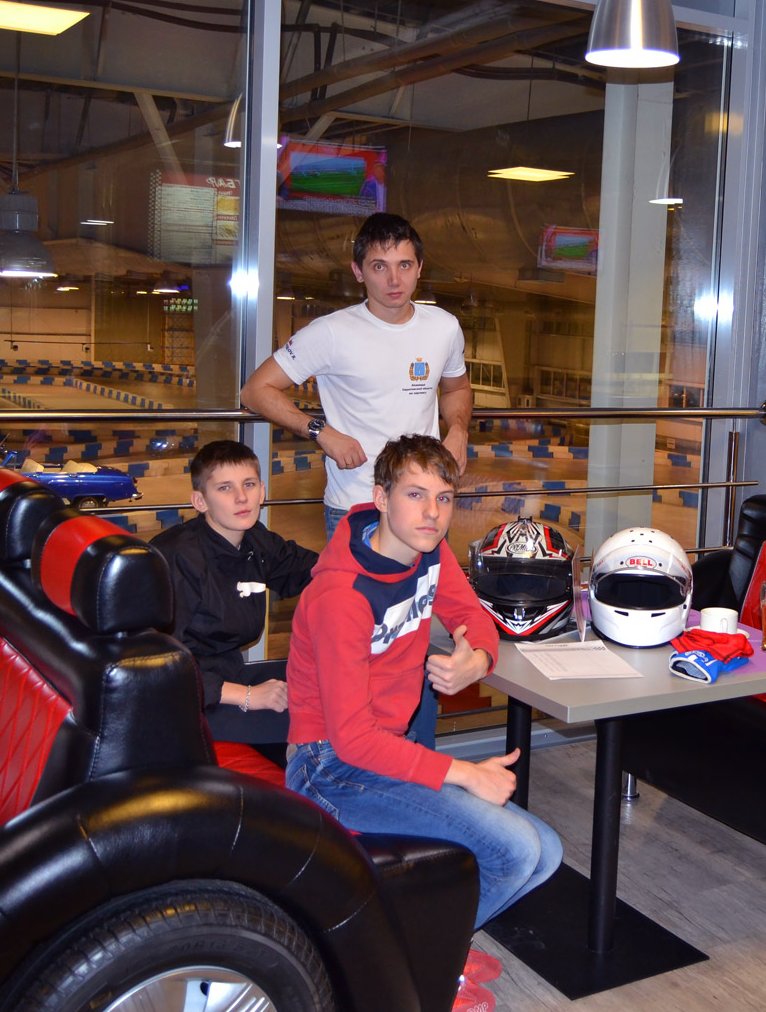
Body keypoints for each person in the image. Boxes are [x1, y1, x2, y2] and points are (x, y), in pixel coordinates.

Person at [285, 435, 560, 1003]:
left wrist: (476, 659)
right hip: (327, 765)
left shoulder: (428, 552)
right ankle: (409, 972)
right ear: (381, 498)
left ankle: (434, 947)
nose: (432, 513)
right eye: (415, 495)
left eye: (444, 498)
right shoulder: (342, 596)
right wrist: (465, 773)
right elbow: (352, 741)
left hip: (381, 750)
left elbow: (472, 616)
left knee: (547, 854)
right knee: (517, 852)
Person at [240, 211, 471, 747]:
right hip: (356, 511)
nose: (393, 279)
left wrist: (458, 430)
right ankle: (350, 758)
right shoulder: (332, 332)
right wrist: (320, 431)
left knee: (414, 647)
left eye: (404, 265)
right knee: (363, 652)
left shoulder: (443, 327)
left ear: (420, 268)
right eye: (379, 266)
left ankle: (415, 763)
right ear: (358, 270)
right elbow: (256, 390)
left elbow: (457, 388)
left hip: (421, 513)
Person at [150, 439, 317, 745]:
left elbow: (313, 570)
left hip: (226, 674)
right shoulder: (179, 558)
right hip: (183, 700)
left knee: (325, 685)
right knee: (317, 723)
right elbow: (159, 663)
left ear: (262, 492)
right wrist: (249, 696)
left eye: (249, 484)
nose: (242, 497)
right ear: (200, 501)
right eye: (225, 488)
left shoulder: (255, 540)